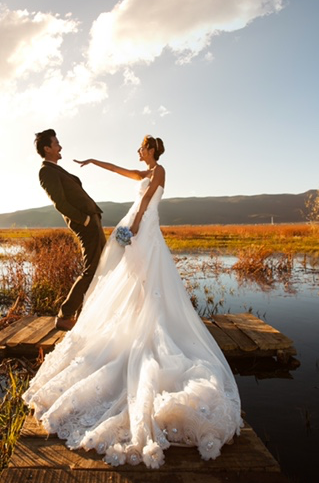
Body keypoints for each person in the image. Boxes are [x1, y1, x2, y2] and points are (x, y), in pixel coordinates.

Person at [23, 135, 242, 468]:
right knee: (133, 279)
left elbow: (145, 202)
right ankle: (135, 316)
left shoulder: (158, 171)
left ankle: (145, 320)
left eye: (141, 148)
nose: (137, 153)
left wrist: (135, 227)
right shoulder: (144, 172)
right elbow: (119, 170)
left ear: (151, 150)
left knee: (144, 278)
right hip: (138, 227)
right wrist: (95, 162)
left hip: (144, 228)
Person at [34, 129, 106, 331]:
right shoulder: (46, 171)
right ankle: (65, 315)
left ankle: (82, 314)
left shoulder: (57, 169)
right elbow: (60, 203)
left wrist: (92, 217)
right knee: (91, 269)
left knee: (102, 267)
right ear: (47, 148)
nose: (60, 146)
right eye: (56, 143)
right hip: (86, 223)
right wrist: (84, 220)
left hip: (93, 220)